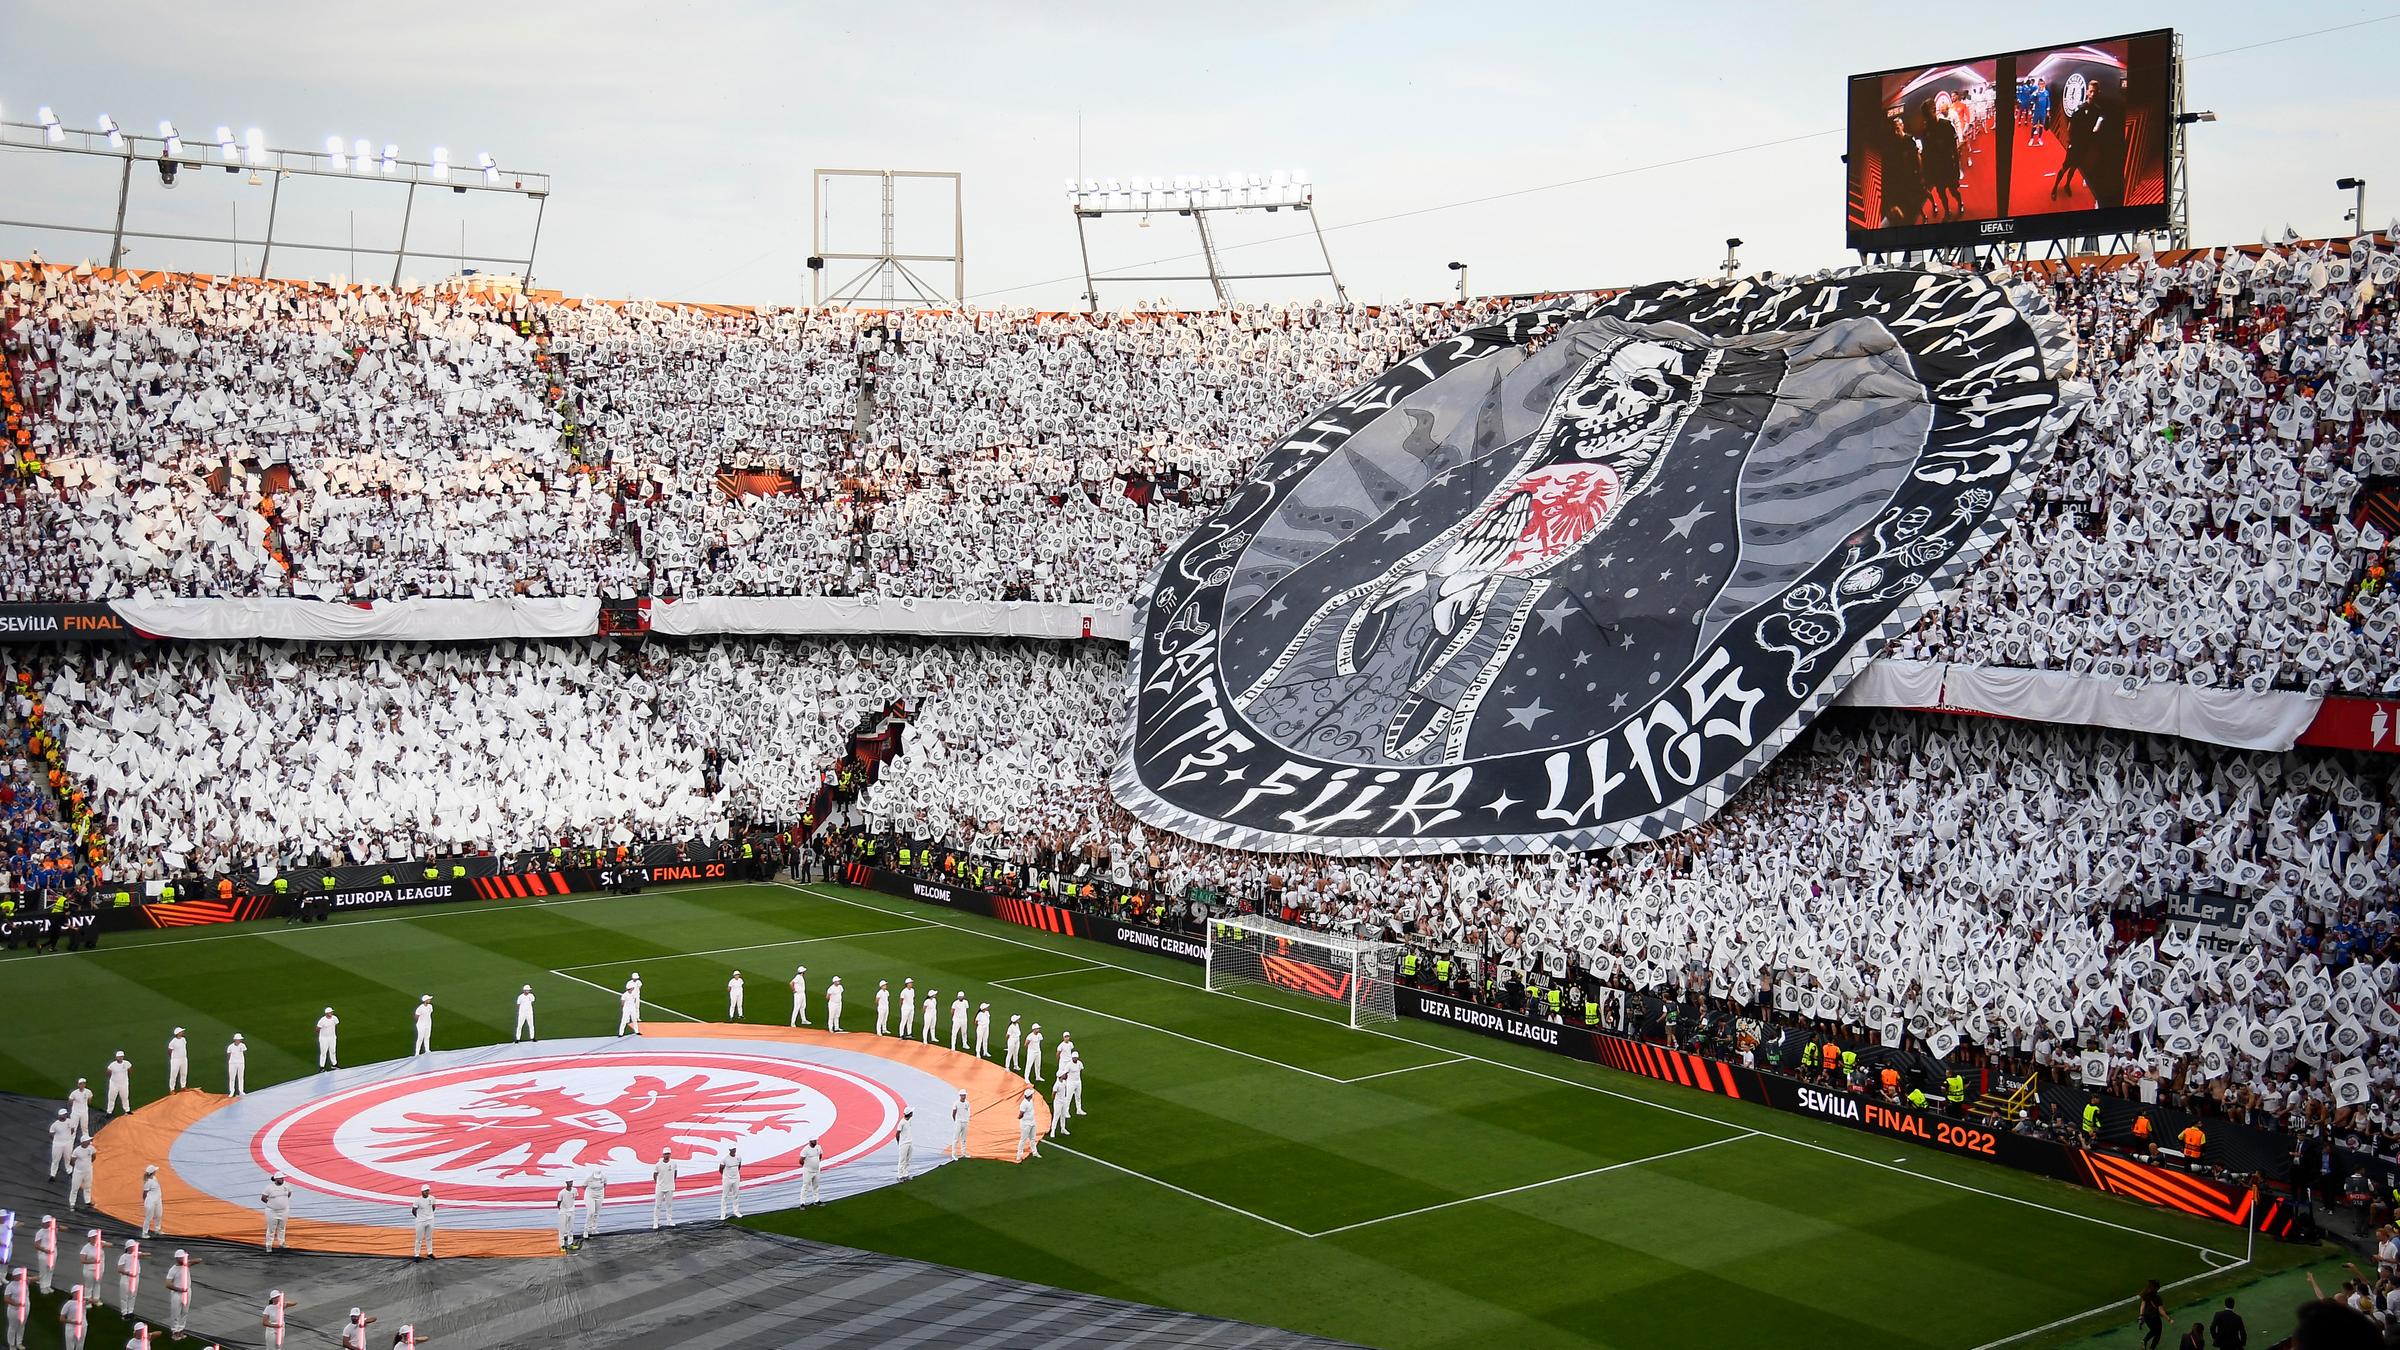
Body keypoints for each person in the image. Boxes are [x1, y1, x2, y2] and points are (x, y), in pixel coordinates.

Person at [162, 1251, 193, 1338]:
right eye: (182, 1257)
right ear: (177, 1258)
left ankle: (181, 1330)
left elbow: (199, 1260)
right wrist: (180, 1289)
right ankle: (175, 1331)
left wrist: (186, 1261)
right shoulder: (173, 1270)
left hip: (187, 1291)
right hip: (177, 1293)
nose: (184, 1258)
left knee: (185, 1312)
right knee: (176, 1312)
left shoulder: (186, 1265)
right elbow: (168, 1284)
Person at [260, 1173, 292, 1251]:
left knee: (282, 1227)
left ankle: (282, 1243)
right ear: (276, 1179)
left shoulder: (287, 1185)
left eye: (283, 1178)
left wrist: (282, 1203)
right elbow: (263, 1198)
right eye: (281, 1178)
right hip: (272, 1211)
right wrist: (272, 1204)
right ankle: (269, 1245)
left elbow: (289, 1194)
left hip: (284, 1210)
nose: (282, 1179)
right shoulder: (269, 1188)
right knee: (271, 1229)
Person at [650, 1148, 676, 1230]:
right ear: (663, 1155)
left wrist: (672, 1182)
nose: (667, 1155)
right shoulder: (658, 1164)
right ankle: (656, 1222)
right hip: (660, 1187)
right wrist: (657, 1183)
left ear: (670, 1154)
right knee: (658, 1205)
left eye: (668, 1154)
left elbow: (675, 1173)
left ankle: (669, 1221)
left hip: (670, 1187)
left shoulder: (673, 1163)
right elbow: (655, 1174)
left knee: (669, 1205)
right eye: (665, 1154)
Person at [2137, 1278, 2166, 1350]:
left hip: (2146, 1317)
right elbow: (2161, 1310)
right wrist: (2168, 1318)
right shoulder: (2157, 1297)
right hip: (2154, 1317)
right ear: (2156, 1288)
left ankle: (2145, 1341)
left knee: (2153, 1331)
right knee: (2158, 1333)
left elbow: (2142, 1305)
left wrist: (2141, 1315)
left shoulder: (2145, 1294)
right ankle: (2151, 1347)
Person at [409, 1186, 436, 1260]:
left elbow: (433, 1207)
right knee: (419, 1239)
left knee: (429, 1237)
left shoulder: (432, 1198)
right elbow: (413, 1210)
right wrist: (419, 1217)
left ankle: (430, 1253)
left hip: (430, 1220)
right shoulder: (418, 1200)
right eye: (425, 1191)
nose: (427, 1192)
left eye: (428, 1190)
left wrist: (429, 1215)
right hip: (420, 1221)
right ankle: (417, 1254)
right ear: (422, 1192)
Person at [64, 1142, 93, 1210]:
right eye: (87, 1141)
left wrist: (87, 1165)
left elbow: (94, 1156)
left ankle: (88, 1201)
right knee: (75, 1188)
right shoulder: (77, 1150)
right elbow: (72, 1161)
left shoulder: (91, 1148)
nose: (88, 1142)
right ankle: (72, 1203)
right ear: (83, 1142)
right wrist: (77, 1167)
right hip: (78, 1172)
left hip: (88, 1171)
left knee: (88, 1186)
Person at [47, 1109, 75, 1178]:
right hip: (57, 1145)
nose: (65, 1115)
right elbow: (51, 1133)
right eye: (64, 1114)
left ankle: (69, 1171)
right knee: (55, 1160)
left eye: (66, 1114)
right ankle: (53, 1174)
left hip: (68, 1143)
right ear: (60, 1115)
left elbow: (72, 1129)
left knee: (68, 1158)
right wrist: (57, 1140)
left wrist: (67, 1137)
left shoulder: (69, 1121)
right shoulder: (55, 1125)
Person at [113, 1239, 137, 1317]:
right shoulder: (124, 1257)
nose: (134, 1248)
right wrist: (128, 1273)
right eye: (132, 1246)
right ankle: (124, 1312)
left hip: (135, 1278)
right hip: (126, 1277)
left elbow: (146, 1255)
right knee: (124, 1295)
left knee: (132, 1294)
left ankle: (130, 1311)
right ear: (128, 1247)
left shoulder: (136, 1255)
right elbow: (119, 1269)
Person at [581, 1166, 606, 1240]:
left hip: (600, 1196)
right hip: (590, 1196)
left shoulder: (603, 1177)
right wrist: (591, 1191)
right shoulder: (589, 1178)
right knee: (591, 1212)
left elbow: (605, 1185)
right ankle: (586, 1230)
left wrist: (598, 1191)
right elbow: (583, 1186)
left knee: (596, 1213)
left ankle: (594, 1229)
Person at [3, 1266, 26, 1350]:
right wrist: (17, 1304)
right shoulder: (10, 1286)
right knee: (13, 1327)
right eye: (18, 1275)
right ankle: (11, 1344)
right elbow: (6, 1299)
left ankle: (19, 1343)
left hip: (24, 1309)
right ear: (14, 1276)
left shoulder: (24, 1283)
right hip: (14, 1310)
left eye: (20, 1274)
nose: (19, 1276)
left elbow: (32, 1279)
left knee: (22, 1326)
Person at [58, 1283, 86, 1350]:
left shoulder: (83, 1302)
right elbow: (61, 1318)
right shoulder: (68, 1304)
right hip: (71, 1328)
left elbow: (95, 1301)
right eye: (78, 1292)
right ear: (73, 1294)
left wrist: (88, 1299)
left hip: (82, 1326)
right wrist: (73, 1322)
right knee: (70, 1345)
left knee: (80, 1345)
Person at [32, 1217, 55, 1294]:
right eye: (46, 1222)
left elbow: (65, 1228)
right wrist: (45, 1250)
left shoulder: (53, 1230)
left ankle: (48, 1285)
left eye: (49, 1222)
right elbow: (36, 1245)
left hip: (53, 1251)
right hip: (44, 1252)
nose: (47, 1224)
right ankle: (42, 1287)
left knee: (50, 1269)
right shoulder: (40, 1232)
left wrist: (56, 1226)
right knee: (43, 1270)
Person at [717, 1147, 742, 1220]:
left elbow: (739, 1166)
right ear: (730, 1150)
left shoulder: (738, 1157)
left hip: (736, 1178)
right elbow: (720, 1169)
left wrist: (735, 1175)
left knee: (736, 1194)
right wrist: (726, 1176)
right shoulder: (725, 1159)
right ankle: (723, 1213)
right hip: (727, 1179)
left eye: (734, 1149)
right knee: (725, 1196)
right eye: (732, 1150)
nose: (734, 1151)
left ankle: (736, 1211)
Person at [1015, 1089, 1040, 1161]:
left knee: (1033, 1138)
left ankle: (1034, 1152)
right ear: (1030, 1096)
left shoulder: (1030, 1101)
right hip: (1026, 1124)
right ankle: (1019, 1155)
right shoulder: (1024, 1104)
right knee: (1023, 1139)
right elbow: (1021, 1113)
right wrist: (1020, 1117)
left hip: (1032, 1122)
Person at [139, 1165, 162, 1238]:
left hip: (157, 1200)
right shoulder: (148, 1182)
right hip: (151, 1202)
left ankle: (157, 1229)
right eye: (155, 1170)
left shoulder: (154, 1178)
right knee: (148, 1217)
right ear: (153, 1172)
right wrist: (146, 1201)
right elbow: (145, 1193)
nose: (156, 1171)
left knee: (158, 1215)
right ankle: (144, 1233)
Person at [799, 1138, 823, 1207]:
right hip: (808, 1171)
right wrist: (807, 1166)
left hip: (816, 1170)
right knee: (805, 1186)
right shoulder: (805, 1149)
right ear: (810, 1141)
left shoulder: (818, 1147)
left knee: (816, 1186)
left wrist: (816, 1163)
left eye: (815, 1140)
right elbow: (801, 1160)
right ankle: (802, 1203)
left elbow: (820, 1155)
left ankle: (816, 1200)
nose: (815, 1141)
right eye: (813, 1141)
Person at [949, 1091, 972, 1158]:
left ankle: (963, 1153)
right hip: (958, 1122)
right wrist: (956, 1121)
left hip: (965, 1122)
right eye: (962, 1095)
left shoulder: (967, 1103)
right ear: (960, 1095)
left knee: (964, 1139)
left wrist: (967, 1119)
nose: (964, 1096)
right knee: (956, 1139)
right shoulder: (956, 1103)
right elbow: (953, 1113)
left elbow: (968, 1112)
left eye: (964, 1095)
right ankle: (953, 1154)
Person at [164, 1029, 188, 1093]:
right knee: (173, 1074)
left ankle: (183, 1086)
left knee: (184, 1073)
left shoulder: (183, 1039)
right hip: (175, 1060)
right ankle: (172, 1089)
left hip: (184, 1059)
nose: (182, 1032)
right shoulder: (173, 1042)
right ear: (178, 1033)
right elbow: (169, 1050)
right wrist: (173, 1058)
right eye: (181, 1032)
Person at [553, 1181, 575, 1250]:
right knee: (562, 1229)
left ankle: (570, 1243)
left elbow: (573, 1199)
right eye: (569, 1182)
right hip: (563, 1212)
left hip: (572, 1211)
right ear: (566, 1183)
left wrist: (570, 1207)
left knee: (571, 1228)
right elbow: (558, 1203)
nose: (571, 1183)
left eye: (571, 1182)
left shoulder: (574, 1190)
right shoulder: (561, 1193)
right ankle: (561, 1245)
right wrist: (562, 1209)